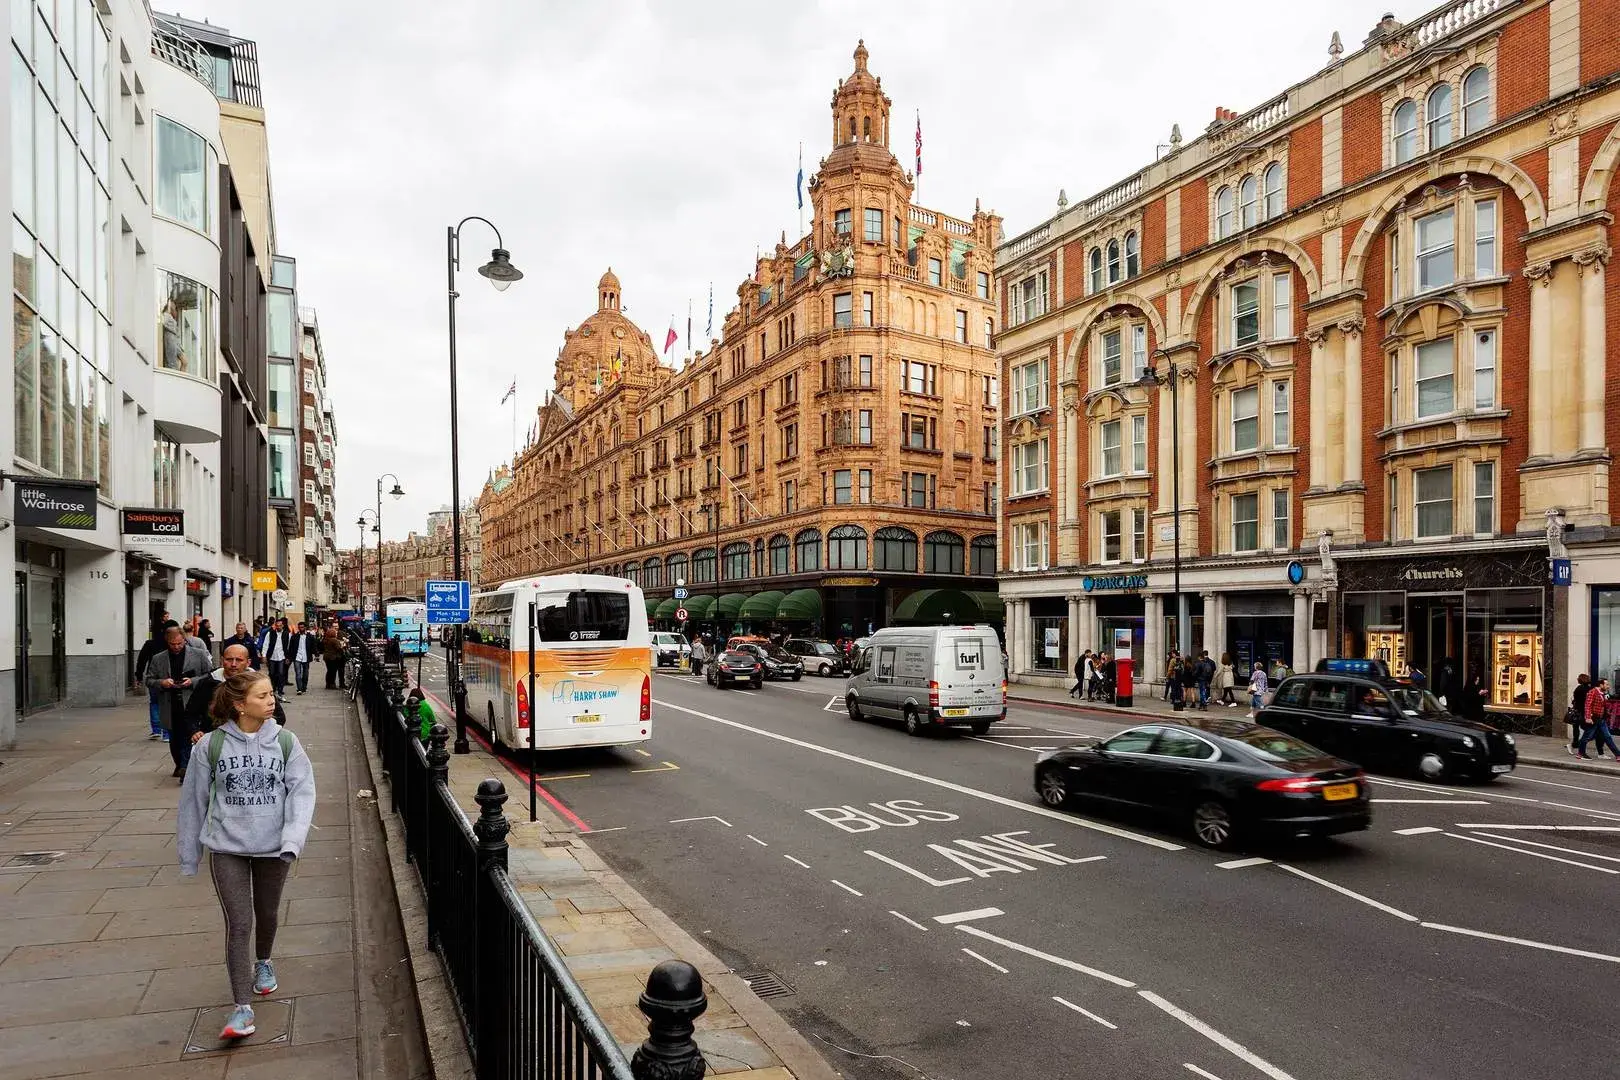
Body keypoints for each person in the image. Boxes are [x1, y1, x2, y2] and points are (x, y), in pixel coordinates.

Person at [177, 669, 315, 1041]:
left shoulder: (285, 741)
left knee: (267, 913)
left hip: (274, 847)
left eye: (272, 694)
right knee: (238, 924)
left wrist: (293, 840)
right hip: (227, 848)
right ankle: (241, 1007)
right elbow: (193, 802)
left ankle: (264, 962)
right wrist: (189, 854)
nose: (272, 701)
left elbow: (303, 794)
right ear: (240, 705)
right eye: (263, 696)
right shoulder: (210, 747)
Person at [186, 644, 288, 758]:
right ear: (222, 660)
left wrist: (261, 737)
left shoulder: (259, 685)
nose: (233, 664)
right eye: (229, 659)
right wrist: (195, 731)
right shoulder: (207, 684)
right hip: (215, 748)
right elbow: (191, 713)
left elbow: (279, 717)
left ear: (248, 662)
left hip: (252, 749)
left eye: (239, 660)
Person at [143, 625, 212, 776]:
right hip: (170, 702)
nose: (176, 647)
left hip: (192, 702)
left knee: (189, 734)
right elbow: (149, 679)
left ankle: (185, 766)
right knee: (174, 737)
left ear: (184, 640)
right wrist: (162, 683)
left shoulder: (198, 654)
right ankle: (179, 763)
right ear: (167, 642)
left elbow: (209, 675)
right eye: (172, 644)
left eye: (180, 643)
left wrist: (192, 681)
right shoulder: (158, 658)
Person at [134, 623, 170, 741]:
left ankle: (156, 729)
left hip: (153, 677)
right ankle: (166, 732)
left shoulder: (150, 643)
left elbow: (141, 660)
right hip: (167, 677)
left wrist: (139, 676)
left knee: (154, 702)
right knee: (166, 704)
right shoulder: (171, 644)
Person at [1578, 677, 1619, 760]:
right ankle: (1581, 753)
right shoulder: (1592, 692)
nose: (1608, 686)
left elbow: (1602, 706)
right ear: (1601, 685)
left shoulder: (1602, 693)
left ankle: (1617, 755)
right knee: (1587, 737)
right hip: (1594, 719)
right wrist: (1588, 717)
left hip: (1601, 719)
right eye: (1606, 684)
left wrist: (1607, 713)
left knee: (1607, 737)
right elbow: (1587, 705)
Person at [260, 619, 292, 700]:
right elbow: (265, 645)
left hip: (282, 656)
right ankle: (273, 689)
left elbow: (289, 647)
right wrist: (264, 655)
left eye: (280, 625)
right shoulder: (270, 633)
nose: (278, 627)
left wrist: (288, 657)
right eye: (277, 626)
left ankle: (280, 690)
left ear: (283, 625)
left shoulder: (287, 634)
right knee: (272, 673)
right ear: (275, 626)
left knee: (281, 674)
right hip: (272, 657)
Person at [289, 621, 316, 695]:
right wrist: (289, 657)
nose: (301, 629)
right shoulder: (294, 636)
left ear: (305, 628)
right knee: (298, 673)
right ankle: (299, 689)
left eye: (302, 627)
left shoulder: (310, 636)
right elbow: (291, 648)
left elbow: (313, 646)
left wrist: (316, 654)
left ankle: (304, 687)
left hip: (306, 657)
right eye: (300, 627)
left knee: (305, 674)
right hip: (297, 657)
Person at [1570, 674, 1594, 755]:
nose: (1577, 679)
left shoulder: (1579, 689)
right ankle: (1576, 744)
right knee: (1589, 729)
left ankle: (1575, 743)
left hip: (1579, 711)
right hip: (1585, 711)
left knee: (1577, 727)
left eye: (1578, 678)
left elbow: (1576, 700)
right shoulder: (1590, 688)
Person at [322, 623, 346, 690]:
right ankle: (332, 684)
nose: (336, 633)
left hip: (327, 657)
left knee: (329, 671)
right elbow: (339, 648)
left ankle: (328, 684)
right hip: (333, 657)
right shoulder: (334, 640)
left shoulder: (326, 639)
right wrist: (344, 645)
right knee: (333, 671)